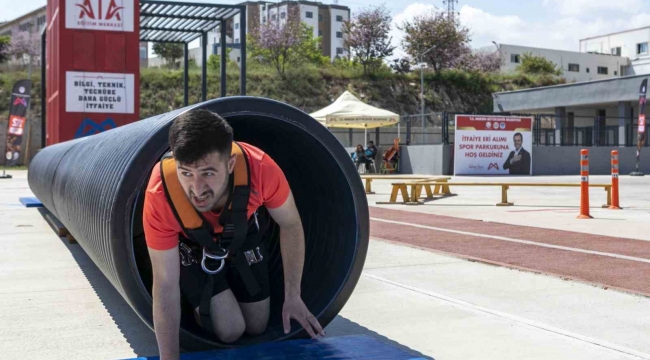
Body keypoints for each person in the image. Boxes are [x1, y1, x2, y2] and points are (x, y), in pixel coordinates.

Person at [143, 109, 324, 360]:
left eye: (207, 173)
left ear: (230, 164)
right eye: (186, 173)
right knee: (231, 329)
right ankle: (205, 292)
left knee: (257, 325)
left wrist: (293, 295)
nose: (197, 189)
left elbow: (291, 224)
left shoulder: (261, 168)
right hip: (192, 245)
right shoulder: (160, 193)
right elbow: (164, 283)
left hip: (242, 232)